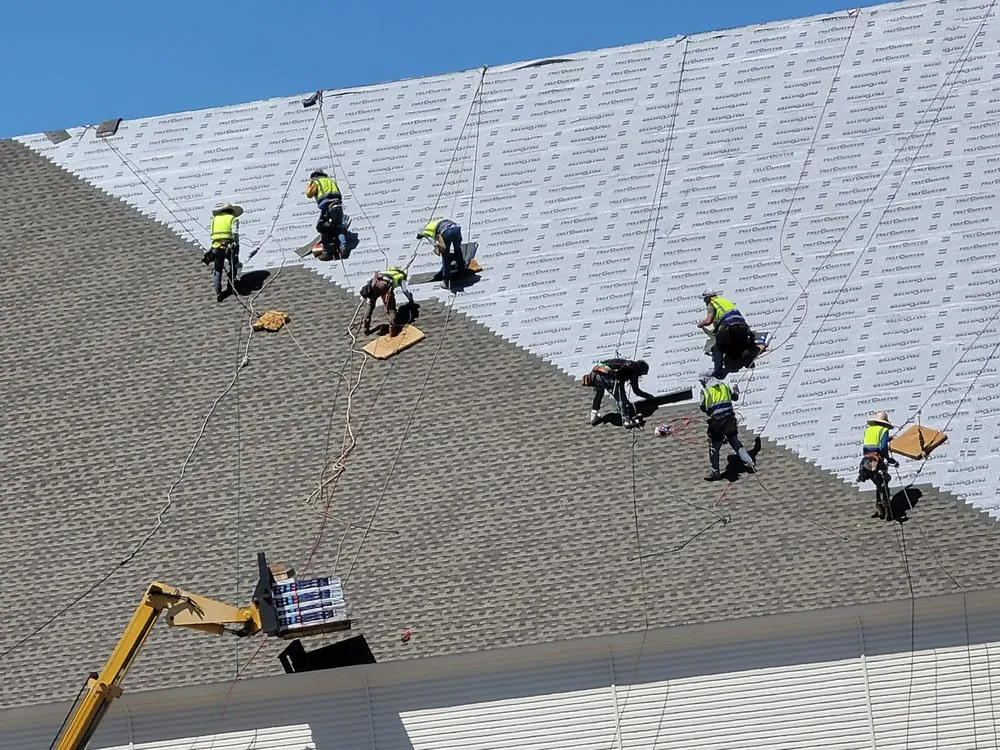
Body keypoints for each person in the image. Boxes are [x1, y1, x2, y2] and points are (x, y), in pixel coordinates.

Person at [698, 370, 755, 481]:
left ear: (705, 380)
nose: (701, 383)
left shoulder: (705, 391)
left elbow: (702, 407)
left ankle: (715, 473)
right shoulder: (724, 386)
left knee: (714, 447)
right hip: (730, 419)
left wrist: (711, 411)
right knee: (735, 442)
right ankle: (749, 463)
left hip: (717, 423)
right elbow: (735, 397)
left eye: (702, 381)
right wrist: (735, 390)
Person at [697, 289, 755, 379]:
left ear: (709, 297)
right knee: (738, 345)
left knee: (717, 347)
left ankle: (718, 372)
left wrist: (700, 324)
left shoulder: (712, 304)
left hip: (728, 327)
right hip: (743, 327)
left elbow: (708, 321)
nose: (704, 302)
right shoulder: (725, 301)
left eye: (704, 299)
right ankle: (746, 355)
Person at [582, 359, 654, 429]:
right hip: (606, 376)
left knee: (599, 393)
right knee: (621, 397)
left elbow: (602, 365)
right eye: (641, 374)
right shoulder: (634, 370)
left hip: (595, 372)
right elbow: (636, 390)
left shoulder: (625, 364)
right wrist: (648, 396)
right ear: (640, 370)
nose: (639, 376)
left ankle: (593, 416)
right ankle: (627, 421)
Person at [857, 410, 898, 520]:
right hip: (877, 461)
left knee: (878, 483)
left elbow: (870, 444)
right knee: (884, 483)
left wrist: (888, 439)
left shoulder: (868, 430)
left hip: (867, 462)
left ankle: (879, 507)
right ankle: (886, 508)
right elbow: (883, 447)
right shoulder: (883, 430)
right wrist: (889, 459)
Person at [203, 202, 242, 302]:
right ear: (230, 210)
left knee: (218, 268)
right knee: (233, 265)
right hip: (228, 246)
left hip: (215, 247)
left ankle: (218, 290)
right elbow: (235, 233)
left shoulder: (214, 219)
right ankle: (231, 287)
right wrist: (236, 244)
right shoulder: (233, 218)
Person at [360, 267, 415, 336]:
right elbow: (404, 290)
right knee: (391, 309)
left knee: (370, 306)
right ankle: (392, 330)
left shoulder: (386, 273)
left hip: (373, 285)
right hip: (385, 288)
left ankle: (365, 329)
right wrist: (410, 299)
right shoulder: (401, 276)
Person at [417, 218, 466, 289]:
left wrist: (438, 249)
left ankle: (446, 281)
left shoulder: (426, 232)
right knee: (458, 250)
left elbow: (435, 244)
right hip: (456, 229)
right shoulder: (435, 223)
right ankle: (462, 272)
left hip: (447, 232)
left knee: (445, 257)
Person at [306, 170, 344, 261]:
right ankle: (343, 248)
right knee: (338, 228)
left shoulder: (316, 182)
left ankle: (327, 252)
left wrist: (310, 185)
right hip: (338, 206)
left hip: (327, 207)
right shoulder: (331, 181)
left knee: (323, 228)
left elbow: (309, 194)